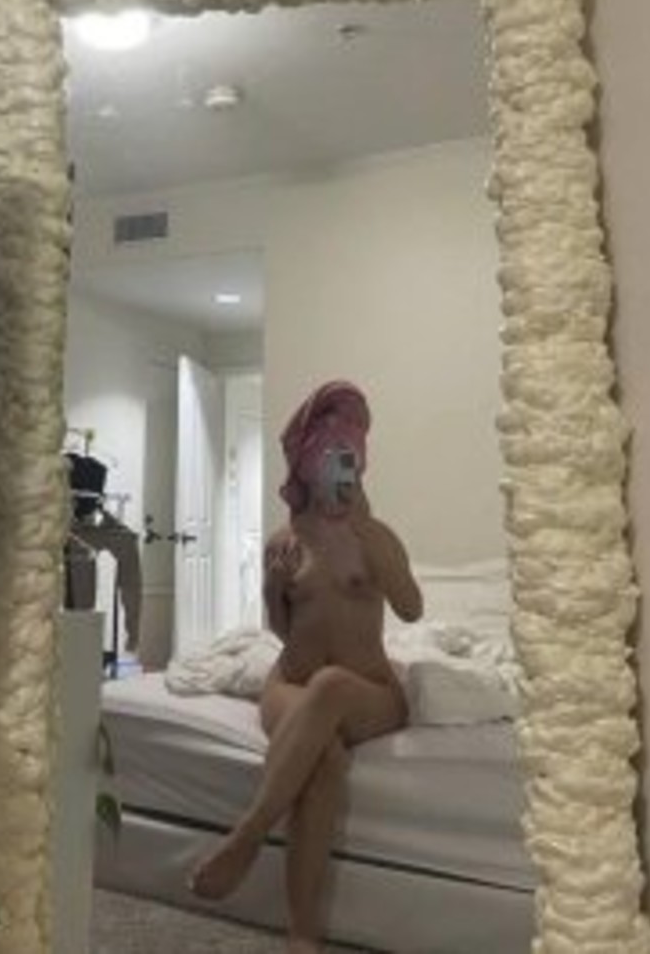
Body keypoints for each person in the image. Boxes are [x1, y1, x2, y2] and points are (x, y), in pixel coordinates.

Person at [189, 380, 422, 954]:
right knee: (324, 761)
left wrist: (369, 534)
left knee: (332, 683)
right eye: (328, 462)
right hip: (289, 685)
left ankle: (247, 837)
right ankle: (302, 935)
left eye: (349, 460)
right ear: (307, 471)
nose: (340, 472)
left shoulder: (375, 538)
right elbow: (282, 630)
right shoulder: (285, 541)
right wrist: (274, 587)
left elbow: (412, 608)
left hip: (367, 691)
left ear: (359, 465)